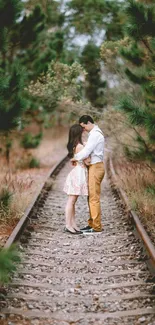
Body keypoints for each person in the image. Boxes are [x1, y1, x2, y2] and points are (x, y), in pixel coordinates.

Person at [72, 115, 105, 233]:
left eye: (83, 126)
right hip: (95, 167)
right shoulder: (94, 134)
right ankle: (92, 224)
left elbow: (87, 151)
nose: (83, 129)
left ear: (88, 122)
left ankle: (96, 227)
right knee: (91, 196)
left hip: (96, 167)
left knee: (93, 198)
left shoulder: (95, 134)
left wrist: (75, 158)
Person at [63, 124, 90, 234]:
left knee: (72, 201)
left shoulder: (75, 145)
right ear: (79, 133)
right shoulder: (80, 146)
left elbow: (76, 159)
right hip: (78, 174)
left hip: (77, 173)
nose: (84, 132)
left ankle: (73, 224)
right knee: (71, 201)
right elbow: (87, 161)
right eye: (82, 131)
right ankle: (68, 225)